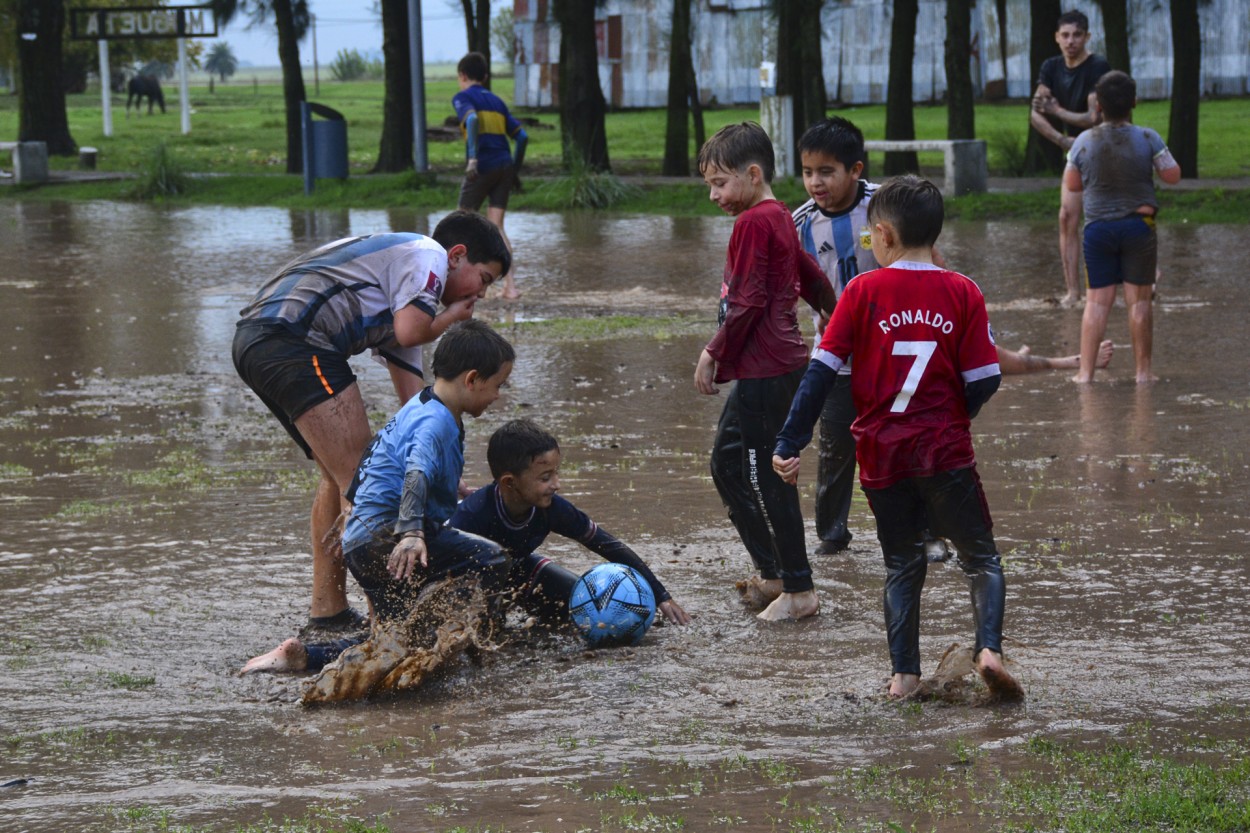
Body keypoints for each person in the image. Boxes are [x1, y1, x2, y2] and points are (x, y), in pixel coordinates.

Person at [792, 117, 1115, 558]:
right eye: (808, 172)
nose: (815, 182)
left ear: (855, 170)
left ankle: (926, 532)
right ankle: (832, 534)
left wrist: (952, 308)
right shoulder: (800, 224)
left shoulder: (885, 206)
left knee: (916, 442)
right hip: (839, 354)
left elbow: (932, 260)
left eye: (826, 171)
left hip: (897, 351)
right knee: (835, 444)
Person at [772, 175, 1023, 702]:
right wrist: (957, 415)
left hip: (883, 456)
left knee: (901, 565)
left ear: (880, 234)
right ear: (935, 235)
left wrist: (790, 442)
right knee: (980, 559)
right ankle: (989, 653)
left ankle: (903, 677)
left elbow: (820, 373)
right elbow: (986, 377)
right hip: (944, 450)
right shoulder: (963, 290)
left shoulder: (861, 291)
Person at [232, 213, 510, 638]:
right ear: (457, 256)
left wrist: (437, 467)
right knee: (364, 478)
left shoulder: (402, 289)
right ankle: (388, 624)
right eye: (484, 278)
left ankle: (329, 612)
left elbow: (422, 404)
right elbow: (412, 329)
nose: (482, 294)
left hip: (262, 339)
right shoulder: (427, 255)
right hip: (293, 337)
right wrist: (453, 316)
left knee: (338, 473)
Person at [242, 320, 516, 674]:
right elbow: (416, 471)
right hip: (392, 536)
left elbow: (378, 455)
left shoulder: (419, 404)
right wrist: (413, 533)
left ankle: (303, 656)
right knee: (492, 559)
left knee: (393, 638)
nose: (498, 396)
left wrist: (355, 514)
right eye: (498, 385)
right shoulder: (438, 422)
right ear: (472, 379)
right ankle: (485, 647)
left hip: (364, 539)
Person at [693, 121, 835, 622]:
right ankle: (774, 572)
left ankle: (799, 590)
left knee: (768, 477)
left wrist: (714, 349)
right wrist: (831, 311)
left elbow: (749, 299)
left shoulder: (755, 222)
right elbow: (808, 273)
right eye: (709, 185)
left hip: (767, 372)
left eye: (720, 183)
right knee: (728, 465)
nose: (714, 195)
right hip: (773, 370)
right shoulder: (775, 216)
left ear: (753, 174)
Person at [450, 418, 692, 627]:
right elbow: (443, 574)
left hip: (520, 570)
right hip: (470, 581)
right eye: (546, 477)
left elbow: (607, 545)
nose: (557, 484)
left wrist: (661, 595)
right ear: (509, 482)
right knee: (482, 627)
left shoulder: (554, 509)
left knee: (585, 608)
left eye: (556, 473)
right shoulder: (472, 516)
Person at [1065, 70, 1181, 384]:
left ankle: (1085, 375)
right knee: (1140, 302)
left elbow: (1072, 185)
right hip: (1138, 228)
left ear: (1098, 106)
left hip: (1098, 230)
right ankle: (1143, 373)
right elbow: (1173, 175)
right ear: (1134, 101)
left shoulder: (1083, 142)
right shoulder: (1148, 137)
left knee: (1096, 303)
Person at [1030, 10, 1112, 306]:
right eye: (1065, 35)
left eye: (1077, 35)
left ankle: (1146, 277)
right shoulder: (1050, 67)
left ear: (1087, 37)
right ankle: (1073, 293)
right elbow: (1036, 112)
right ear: (1056, 38)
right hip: (1076, 150)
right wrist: (1064, 140)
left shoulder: (1098, 66)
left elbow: (1093, 117)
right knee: (1066, 217)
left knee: (1112, 215)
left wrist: (1058, 112)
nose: (1071, 41)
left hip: (1104, 150)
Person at [454, 51, 528, 301]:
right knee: (496, 226)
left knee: (459, 223)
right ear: (485, 77)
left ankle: (457, 284)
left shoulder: (462, 97)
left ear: (462, 75)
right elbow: (522, 137)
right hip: (505, 165)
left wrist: (473, 157)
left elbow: (472, 119)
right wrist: (515, 169)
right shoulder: (497, 101)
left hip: (482, 165)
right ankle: (511, 287)